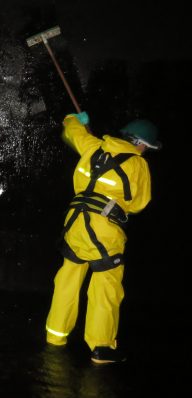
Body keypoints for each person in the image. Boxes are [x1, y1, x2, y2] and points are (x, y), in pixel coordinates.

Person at [44, 112, 160, 364]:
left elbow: (71, 131)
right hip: (105, 228)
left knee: (68, 278)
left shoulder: (93, 145)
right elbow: (140, 203)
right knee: (106, 286)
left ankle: (55, 337)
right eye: (146, 147)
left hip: (74, 223)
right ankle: (101, 347)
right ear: (141, 143)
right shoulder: (139, 164)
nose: (144, 150)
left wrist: (75, 119)